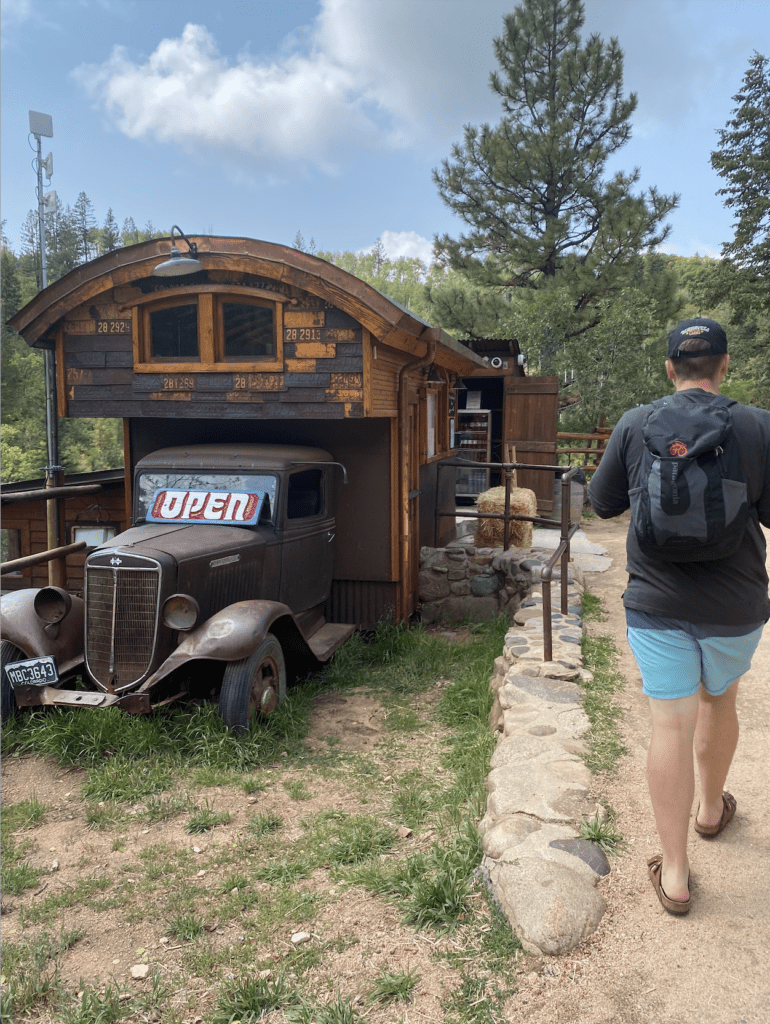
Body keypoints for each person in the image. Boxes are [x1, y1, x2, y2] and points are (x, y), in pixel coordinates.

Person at [588, 317, 770, 914]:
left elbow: (603, 502)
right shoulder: (755, 426)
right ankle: (712, 812)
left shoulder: (637, 423)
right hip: (736, 604)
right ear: (724, 366)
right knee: (721, 701)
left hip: (657, 604)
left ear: (670, 369)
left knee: (669, 724)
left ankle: (675, 877)